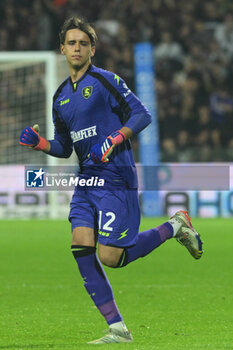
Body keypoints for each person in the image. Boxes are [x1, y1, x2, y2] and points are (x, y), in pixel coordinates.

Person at [19, 17, 203, 344]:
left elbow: (142, 114)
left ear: (92, 48)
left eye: (83, 43)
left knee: (110, 257)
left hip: (116, 176)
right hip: (86, 181)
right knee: (81, 245)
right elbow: (65, 146)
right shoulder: (60, 97)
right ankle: (117, 328)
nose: (77, 48)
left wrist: (116, 138)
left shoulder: (105, 80)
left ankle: (176, 225)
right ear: (62, 48)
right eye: (71, 43)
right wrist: (41, 144)